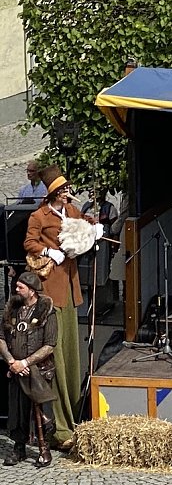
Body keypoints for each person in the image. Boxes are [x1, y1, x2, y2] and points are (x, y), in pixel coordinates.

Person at [24, 164, 102, 450]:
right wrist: (49, 252)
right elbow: (28, 242)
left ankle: (73, 418)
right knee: (54, 356)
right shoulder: (38, 216)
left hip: (70, 287)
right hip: (51, 288)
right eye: (65, 189)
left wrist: (93, 228)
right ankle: (57, 427)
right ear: (54, 193)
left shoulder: (70, 212)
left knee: (71, 354)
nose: (69, 193)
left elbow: (82, 228)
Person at [0, 272, 58, 467]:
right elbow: (1, 338)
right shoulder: (11, 310)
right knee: (17, 409)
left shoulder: (46, 312)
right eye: (16, 286)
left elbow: (50, 344)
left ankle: (44, 448)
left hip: (39, 371)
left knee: (41, 410)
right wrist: (12, 362)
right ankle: (19, 449)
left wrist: (26, 362)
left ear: (32, 291)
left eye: (20, 287)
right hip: (15, 369)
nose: (16, 290)